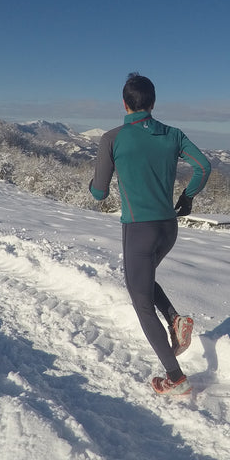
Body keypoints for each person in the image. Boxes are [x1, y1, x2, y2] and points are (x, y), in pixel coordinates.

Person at [89, 73, 211, 396]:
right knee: (142, 280)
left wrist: (94, 183)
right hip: (168, 228)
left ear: (124, 104)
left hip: (138, 230)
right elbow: (203, 167)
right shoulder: (174, 135)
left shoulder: (112, 139)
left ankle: (175, 377)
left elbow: (99, 193)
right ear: (153, 103)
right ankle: (174, 320)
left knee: (140, 300)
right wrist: (186, 199)